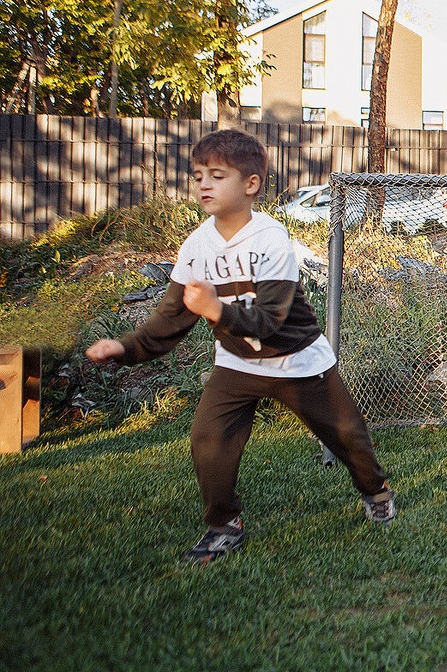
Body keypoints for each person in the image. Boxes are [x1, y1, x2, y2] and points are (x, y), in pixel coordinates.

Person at [84, 129, 395, 565]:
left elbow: (270, 320)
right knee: (208, 439)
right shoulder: (196, 245)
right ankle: (224, 525)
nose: (203, 185)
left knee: (348, 437)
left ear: (250, 184)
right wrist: (125, 348)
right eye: (197, 176)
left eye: (216, 175)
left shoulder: (271, 239)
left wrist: (215, 310)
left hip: (297, 363)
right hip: (236, 365)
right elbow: (171, 318)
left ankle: (376, 491)